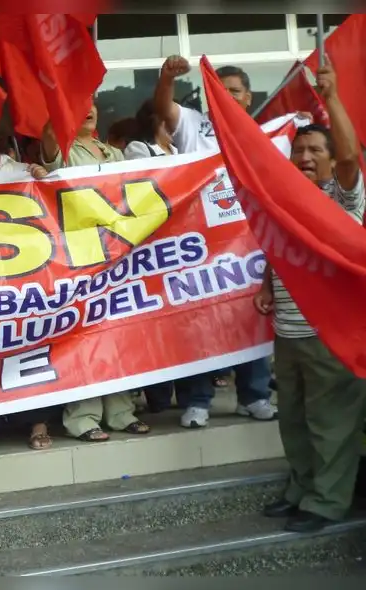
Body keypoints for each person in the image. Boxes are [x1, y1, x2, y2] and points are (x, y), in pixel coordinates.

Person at [255, 62, 366, 534]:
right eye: (298, 149)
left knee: (330, 421)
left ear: (331, 159)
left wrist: (333, 98)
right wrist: (266, 285)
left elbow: (350, 157)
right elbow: (279, 252)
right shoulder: (286, 203)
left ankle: (327, 502)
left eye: (315, 149)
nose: (304, 156)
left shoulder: (342, 199)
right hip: (289, 333)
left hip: (331, 337)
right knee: (295, 419)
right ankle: (300, 489)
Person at [153, 55, 277, 429]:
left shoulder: (265, 134)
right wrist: (166, 79)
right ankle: (197, 401)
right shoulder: (193, 123)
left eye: (235, 91)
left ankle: (254, 396)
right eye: (220, 90)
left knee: (251, 317)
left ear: (249, 97)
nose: (228, 96)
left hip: (248, 244)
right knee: (202, 324)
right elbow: (163, 109)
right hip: (201, 245)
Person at [37, 104, 150, 442]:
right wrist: (59, 103)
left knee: (116, 334)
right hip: (80, 258)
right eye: (78, 103)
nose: (87, 108)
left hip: (118, 256)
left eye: (91, 102)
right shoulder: (64, 152)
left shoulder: (114, 152)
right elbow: (49, 138)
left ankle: (120, 411)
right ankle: (82, 417)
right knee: (83, 337)